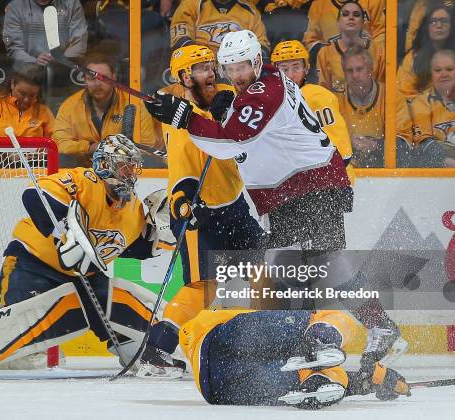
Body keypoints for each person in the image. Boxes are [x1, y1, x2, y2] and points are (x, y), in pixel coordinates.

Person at [144, 29, 405, 367]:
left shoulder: (266, 91)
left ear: (257, 61)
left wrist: (186, 117)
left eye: (243, 66)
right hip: (290, 193)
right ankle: (364, 330)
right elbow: (239, 133)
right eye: (231, 68)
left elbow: (231, 142)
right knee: (301, 270)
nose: (238, 74)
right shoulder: (257, 88)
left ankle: (326, 342)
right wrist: (221, 112)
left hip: (311, 187)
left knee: (316, 268)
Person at [0, 135, 170, 379]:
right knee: (23, 324)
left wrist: (172, 224)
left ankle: (154, 351)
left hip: (84, 278)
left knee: (121, 299)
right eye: (123, 166)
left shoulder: (134, 209)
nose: (129, 174)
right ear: (104, 165)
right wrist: (66, 231)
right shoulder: (84, 181)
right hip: (32, 265)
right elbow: (35, 195)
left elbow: (141, 248)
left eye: (132, 168)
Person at [138, 45, 266, 378]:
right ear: (184, 77)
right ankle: (156, 350)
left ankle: (270, 341)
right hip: (203, 216)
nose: (210, 73)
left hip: (236, 207)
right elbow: (181, 175)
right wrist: (184, 205)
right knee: (203, 286)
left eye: (211, 66)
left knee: (266, 269)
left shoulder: (222, 99)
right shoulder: (179, 124)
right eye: (200, 68)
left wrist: (231, 106)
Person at [180, 308, 411, 408]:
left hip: (217, 387)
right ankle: (319, 350)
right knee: (335, 319)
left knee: (318, 373)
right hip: (224, 347)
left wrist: (375, 379)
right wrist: (375, 378)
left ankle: (317, 381)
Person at [52, 53, 162, 167]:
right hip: (83, 172)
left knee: (150, 163)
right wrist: (90, 147)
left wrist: (115, 152)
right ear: (84, 79)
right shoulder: (69, 106)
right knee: (62, 160)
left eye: (103, 78)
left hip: (125, 169)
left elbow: (147, 146)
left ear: (114, 77)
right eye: (91, 78)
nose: (97, 84)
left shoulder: (135, 103)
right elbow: (59, 144)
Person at [271, 39, 354, 181]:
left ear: (306, 68)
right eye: (284, 69)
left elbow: (341, 148)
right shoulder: (272, 101)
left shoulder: (318, 97)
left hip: (331, 180)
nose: (290, 75)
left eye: (296, 67)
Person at [400, 49, 455, 168]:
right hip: (437, 174)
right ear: (431, 74)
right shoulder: (420, 103)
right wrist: (448, 162)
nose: (444, 74)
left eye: (449, 69)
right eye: (438, 70)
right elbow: (424, 144)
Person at [337, 46, 390, 168]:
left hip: (384, 172)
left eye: (360, 69)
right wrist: (349, 144)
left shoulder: (391, 96)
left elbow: (404, 143)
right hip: (348, 171)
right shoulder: (335, 99)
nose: (355, 75)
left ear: (370, 70)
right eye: (349, 70)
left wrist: (376, 145)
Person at [316, 0, 384, 93]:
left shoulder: (378, 51)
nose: (351, 17)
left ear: (363, 22)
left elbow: (382, 90)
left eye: (356, 15)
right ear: (338, 22)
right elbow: (324, 93)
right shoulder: (325, 53)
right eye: (345, 14)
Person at [0, 63, 55, 137]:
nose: (26, 100)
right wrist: (2, 152)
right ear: (12, 84)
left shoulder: (44, 112)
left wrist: (38, 153)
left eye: (32, 95)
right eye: (22, 93)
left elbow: (55, 139)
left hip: (34, 156)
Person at [169, 0, 270, 57]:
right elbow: (180, 38)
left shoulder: (250, 11)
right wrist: (201, 58)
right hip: (199, 61)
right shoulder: (191, 4)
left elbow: (262, 44)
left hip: (237, 65)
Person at [2, 0, 87, 65]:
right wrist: (34, 61)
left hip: (66, 69)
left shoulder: (72, 3)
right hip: (27, 71)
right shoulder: (15, 6)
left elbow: (79, 40)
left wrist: (63, 61)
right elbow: (14, 48)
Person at [303, 0, 385, 59]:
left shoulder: (374, 2)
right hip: (331, 66)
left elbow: (383, 33)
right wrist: (330, 51)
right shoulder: (318, 5)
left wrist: (367, 51)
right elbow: (310, 41)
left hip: (367, 64)